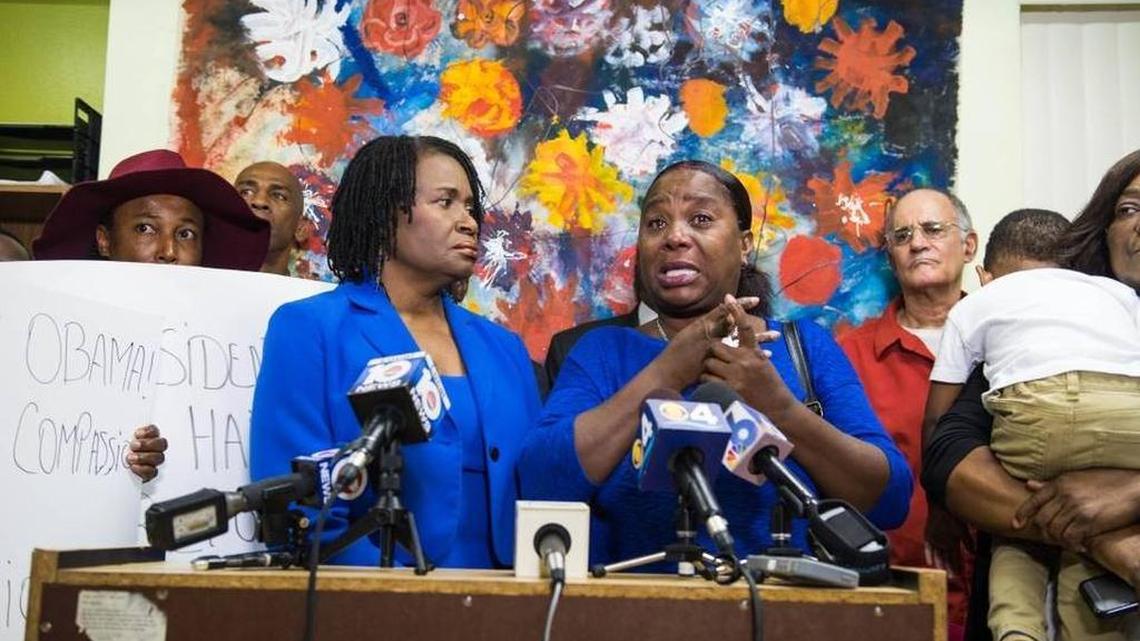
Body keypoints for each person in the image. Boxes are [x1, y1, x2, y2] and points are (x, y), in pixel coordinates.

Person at [519, 160, 911, 568]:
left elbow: (890, 498)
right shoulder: (602, 351)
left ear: (744, 245)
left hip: (785, 613)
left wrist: (778, 407)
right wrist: (667, 370)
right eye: (655, 224)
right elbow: (540, 480)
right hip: (632, 613)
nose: (674, 237)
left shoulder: (805, 346)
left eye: (700, 219)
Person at [249, 135, 541, 568]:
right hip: (373, 603)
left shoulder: (505, 348)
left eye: (470, 207)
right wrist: (396, 599)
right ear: (386, 214)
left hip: (511, 607)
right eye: (446, 202)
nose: (469, 222)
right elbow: (298, 504)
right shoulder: (310, 329)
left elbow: (538, 484)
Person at [923, 149, 1140, 640]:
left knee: (1015, 553)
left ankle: (1016, 629)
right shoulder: (1102, 309)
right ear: (1102, 231)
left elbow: (932, 425)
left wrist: (1129, 494)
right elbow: (948, 453)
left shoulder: (991, 306)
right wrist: (1107, 541)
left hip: (1040, 452)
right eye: (1128, 209)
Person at [32, 148, 271, 481]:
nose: (169, 252)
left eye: (186, 234)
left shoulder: (233, 353)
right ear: (104, 240)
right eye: (146, 228)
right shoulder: (53, 342)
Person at [838, 187, 978, 635]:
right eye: (902, 236)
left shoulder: (1013, 344)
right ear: (891, 256)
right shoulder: (849, 358)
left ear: (969, 245)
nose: (918, 243)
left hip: (1007, 598)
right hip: (890, 604)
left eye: (933, 230)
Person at [234, 161, 310, 276]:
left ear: (300, 228)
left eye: (279, 196)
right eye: (246, 192)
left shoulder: (311, 294)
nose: (259, 201)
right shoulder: (200, 287)